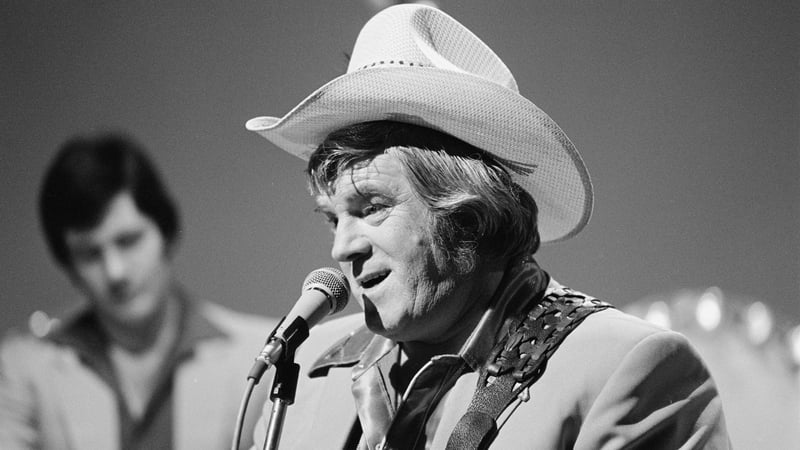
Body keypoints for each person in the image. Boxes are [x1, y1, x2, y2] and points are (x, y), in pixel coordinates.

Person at [245, 4, 730, 449]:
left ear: (471, 218)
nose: (342, 248)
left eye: (372, 207)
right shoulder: (301, 376)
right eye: (334, 219)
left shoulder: (627, 368)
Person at [0, 132, 276, 449]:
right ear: (69, 267)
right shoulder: (26, 366)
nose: (115, 272)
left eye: (128, 241)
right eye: (90, 254)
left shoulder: (258, 355)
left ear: (166, 233)